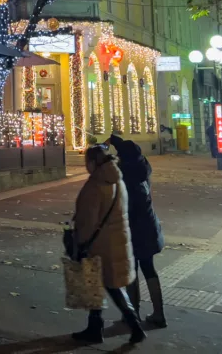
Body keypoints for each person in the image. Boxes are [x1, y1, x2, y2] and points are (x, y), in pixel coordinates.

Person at [71, 145, 146, 345]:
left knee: (98, 283)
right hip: (116, 240)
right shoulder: (117, 180)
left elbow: (88, 220)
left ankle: (127, 326)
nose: (86, 166)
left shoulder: (95, 185)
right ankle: (101, 327)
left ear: (94, 162)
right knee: (108, 285)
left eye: (87, 162)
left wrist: (79, 244)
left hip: (98, 244)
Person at [108, 134, 166, 328]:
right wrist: (114, 141)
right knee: (149, 269)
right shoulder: (142, 167)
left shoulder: (126, 177)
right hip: (149, 226)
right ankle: (159, 313)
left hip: (133, 229)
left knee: (131, 272)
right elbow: (129, 151)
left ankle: (133, 315)